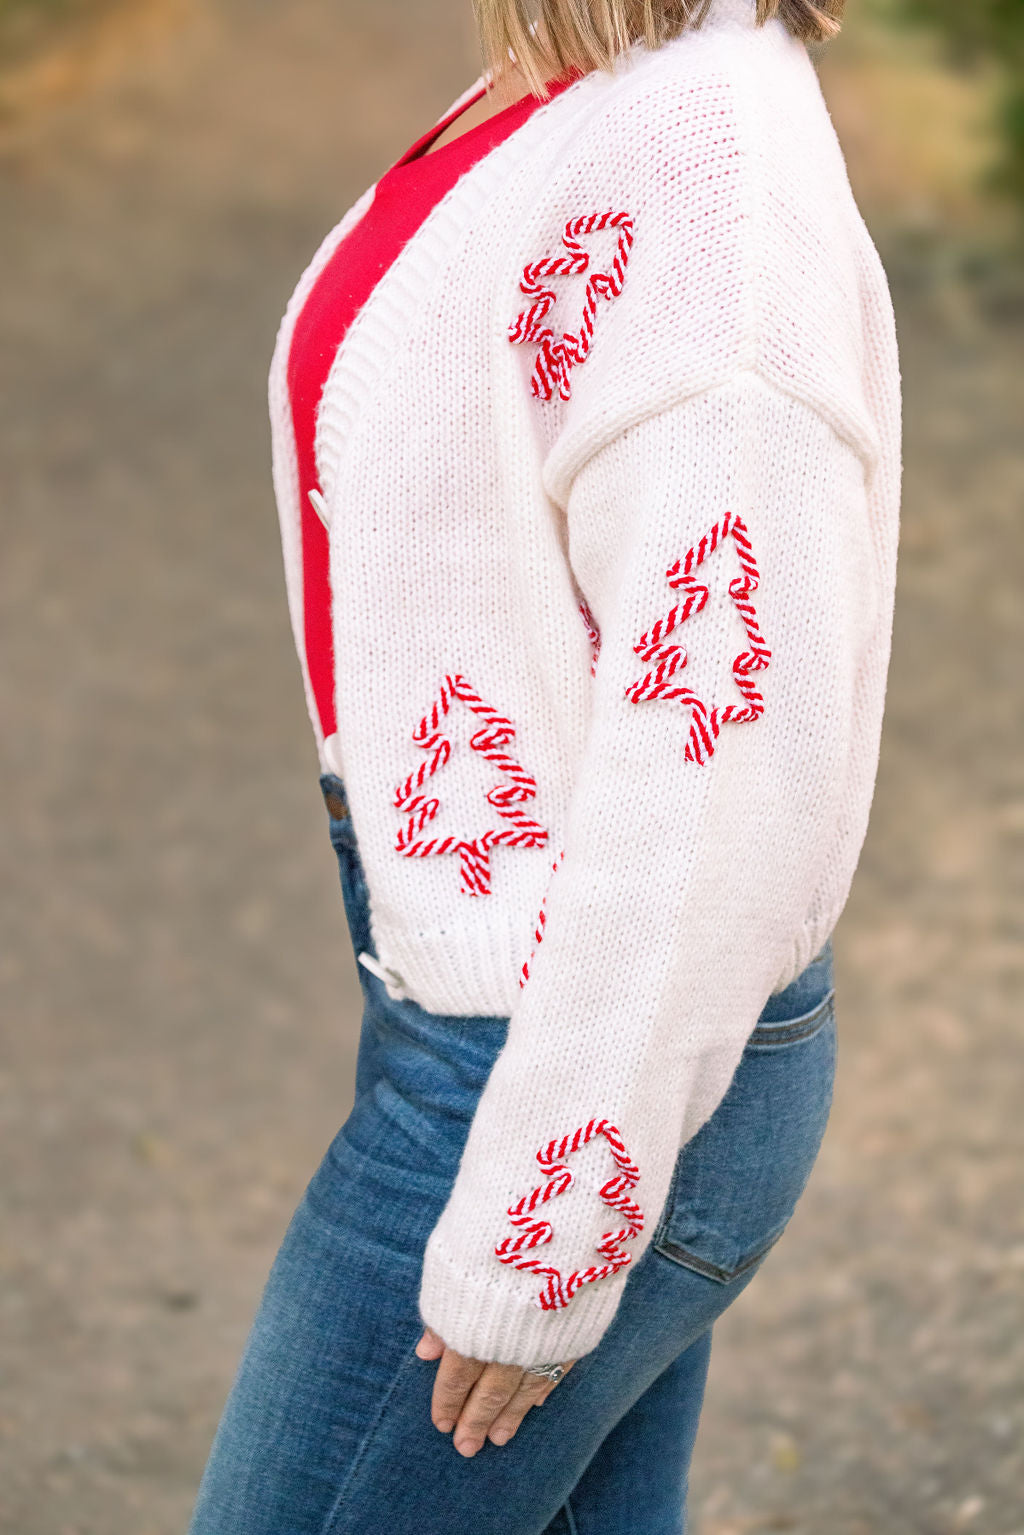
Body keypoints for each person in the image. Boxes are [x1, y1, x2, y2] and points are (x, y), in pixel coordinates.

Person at [187, 0, 900, 1529]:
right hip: (504, 1015)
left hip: (570, 1063)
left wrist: (541, 1233)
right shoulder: (577, 79)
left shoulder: (711, 169)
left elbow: (728, 758)